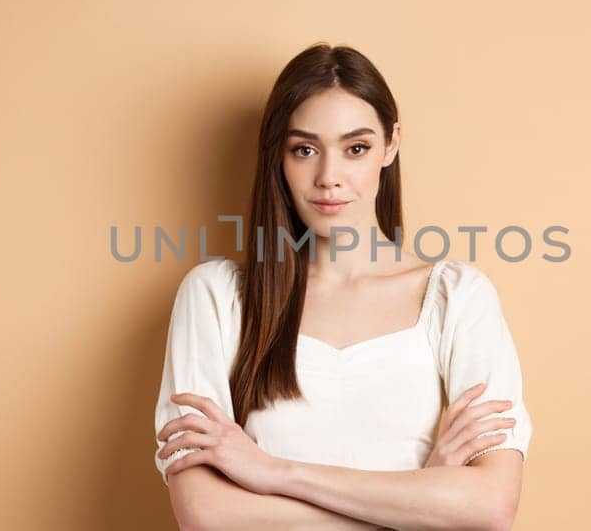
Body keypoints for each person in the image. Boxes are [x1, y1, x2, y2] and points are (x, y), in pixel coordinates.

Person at [152, 42, 533, 530]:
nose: (329, 177)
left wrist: (272, 472)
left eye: (356, 148)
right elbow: (207, 516)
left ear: (390, 145)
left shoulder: (458, 295)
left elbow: (490, 507)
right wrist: (420, 500)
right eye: (304, 149)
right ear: (279, 156)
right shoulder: (215, 297)